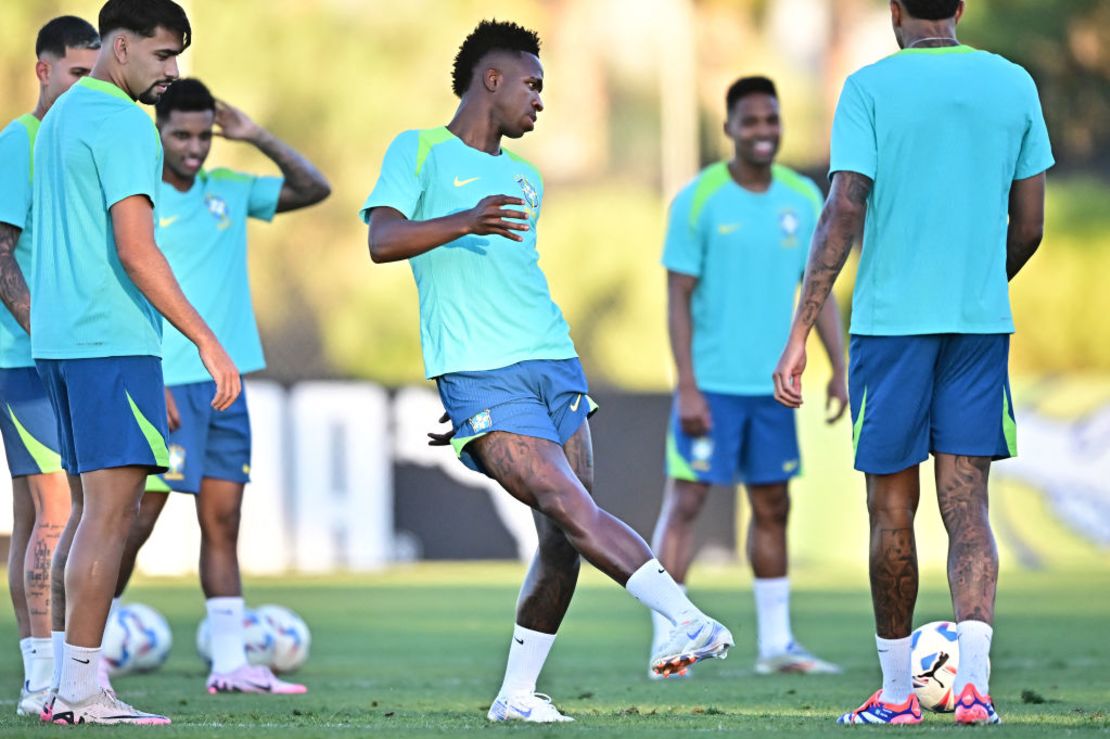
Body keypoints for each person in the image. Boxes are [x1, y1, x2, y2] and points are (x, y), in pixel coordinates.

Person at [361, 19, 733, 724]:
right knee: (569, 503)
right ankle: (679, 615)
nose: (540, 100)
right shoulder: (419, 151)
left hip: (553, 363)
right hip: (480, 376)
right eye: (532, 85)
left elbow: (507, 279)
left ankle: (517, 693)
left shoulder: (526, 177)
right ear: (490, 80)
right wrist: (464, 224)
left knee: (562, 536)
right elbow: (382, 240)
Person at [772, 0, 1052, 726]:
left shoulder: (868, 88)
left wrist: (801, 329)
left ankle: (897, 697)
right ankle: (976, 690)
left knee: (891, 509)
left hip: (892, 332)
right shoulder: (1014, 83)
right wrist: (981, 285)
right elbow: (1031, 225)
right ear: (960, 7)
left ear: (894, 9)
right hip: (979, 331)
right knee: (969, 508)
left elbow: (843, 209)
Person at [31, 0, 240, 725]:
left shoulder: (59, 116)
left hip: (59, 343)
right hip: (110, 340)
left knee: (89, 513)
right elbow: (135, 246)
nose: (172, 71)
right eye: (161, 55)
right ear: (119, 48)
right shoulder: (122, 122)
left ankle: (57, 683)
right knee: (110, 517)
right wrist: (207, 338)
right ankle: (85, 691)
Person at [111, 77, 329, 695]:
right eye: (181, 133)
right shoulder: (137, 199)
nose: (194, 147)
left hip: (225, 384)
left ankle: (230, 663)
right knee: (133, 521)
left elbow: (315, 189)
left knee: (225, 522)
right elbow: (123, 286)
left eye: (203, 135)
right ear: (159, 131)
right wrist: (150, 377)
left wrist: (256, 135)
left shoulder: (229, 193)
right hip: (166, 383)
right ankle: (90, 648)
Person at [648, 76, 846, 678]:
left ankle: (777, 644)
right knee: (686, 501)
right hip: (711, 387)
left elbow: (820, 292)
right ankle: (667, 643)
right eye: (751, 121)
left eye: (772, 120)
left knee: (773, 504)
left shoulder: (804, 199)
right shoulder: (699, 199)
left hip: (772, 391)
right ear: (729, 127)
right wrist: (686, 383)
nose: (764, 132)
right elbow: (677, 298)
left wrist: (840, 366)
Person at [0, 15, 99, 718]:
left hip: (63, 356)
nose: (82, 90)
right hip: (26, 359)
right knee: (58, 517)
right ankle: (48, 681)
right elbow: (1, 251)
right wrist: (43, 333)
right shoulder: (21, 141)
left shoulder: (78, 146)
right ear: (44, 71)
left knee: (36, 514)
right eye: (76, 75)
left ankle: (40, 672)